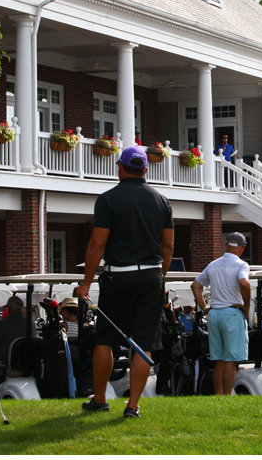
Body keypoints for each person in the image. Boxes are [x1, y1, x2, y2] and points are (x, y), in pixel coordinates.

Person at [75, 146, 174, 418]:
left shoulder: (107, 199)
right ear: (145, 169)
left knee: (105, 340)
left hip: (118, 276)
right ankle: (132, 406)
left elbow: (97, 244)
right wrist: (159, 276)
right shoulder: (162, 201)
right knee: (144, 343)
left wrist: (85, 283)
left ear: (120, 168)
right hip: (151, 275)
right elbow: (168, 247)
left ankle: (100, 399)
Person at [190, 232, 252, 395]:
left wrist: (204, 307)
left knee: (219, 360)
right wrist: (246, 306)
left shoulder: (213, 265)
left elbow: (195, 285)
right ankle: (227, 396)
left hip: (214, 314)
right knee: (231, 360)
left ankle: (218, 396)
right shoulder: (241, 265)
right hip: (232, 313)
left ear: (226, 245)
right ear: (242, 248)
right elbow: (244, 283)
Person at [0, 296, 33, 397]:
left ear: (8, 309)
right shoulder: (31, 324)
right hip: (29, 367)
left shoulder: (2, 324)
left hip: (9, 368)